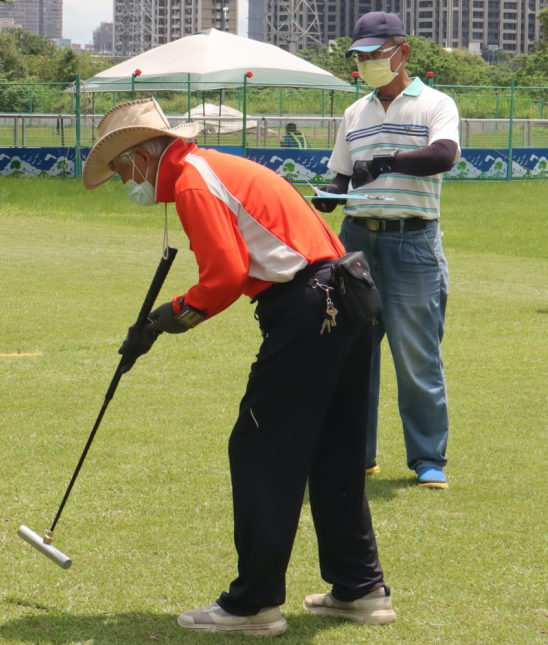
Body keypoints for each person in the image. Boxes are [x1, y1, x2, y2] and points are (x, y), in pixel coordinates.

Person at [84, 98, 394, 636]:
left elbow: (224, 276)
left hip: (309, 306)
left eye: (121, 170)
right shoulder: (211, 167)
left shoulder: (192, 182)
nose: (124, 181)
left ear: (141, 156)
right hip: (347, 297)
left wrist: (167, 318)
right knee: (333, 450)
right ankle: (359, 588)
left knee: (259, 448)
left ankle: (253, 604)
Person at [313, 11, 458, 489]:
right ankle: (359, 455)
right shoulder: (354, 113)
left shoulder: (435, 103)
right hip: (356, 242)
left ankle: (427, 458)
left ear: (402, 52)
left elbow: (444, 155)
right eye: (360, 57)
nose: (367, 64)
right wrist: (329, 197)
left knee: (416, 356)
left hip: (412, 241)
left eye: (376, 54)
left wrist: (388, 161)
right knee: (354, 353)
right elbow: (342, 175)